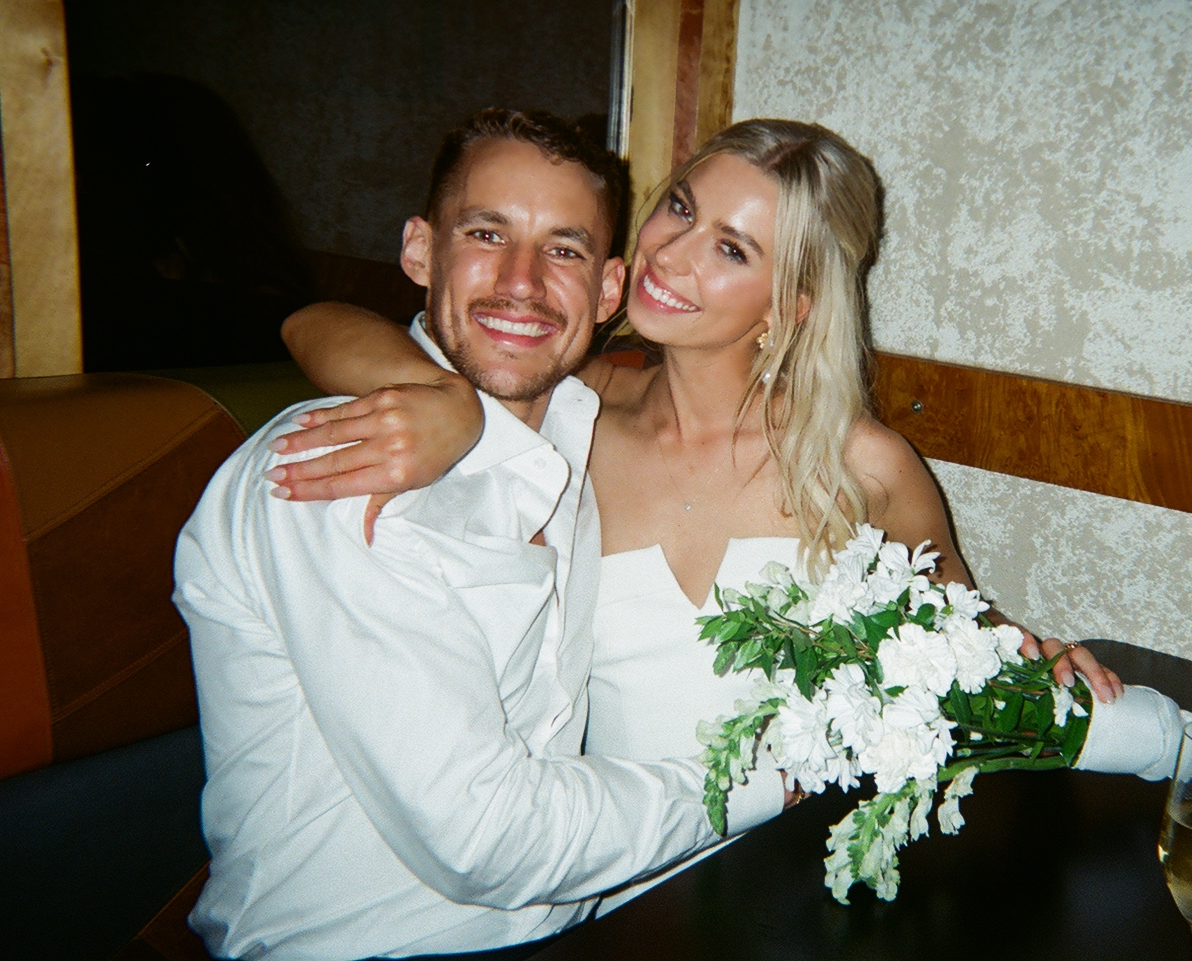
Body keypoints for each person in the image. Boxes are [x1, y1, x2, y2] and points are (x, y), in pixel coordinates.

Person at [275, 119, 1133, 905]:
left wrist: (1035, 655)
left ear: (792, 303)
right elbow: (311, 320)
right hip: (595, 879)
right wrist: (440, 397)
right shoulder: (568, 414)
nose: (671, 255)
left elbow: (960, 640)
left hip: (803, 881)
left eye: (729, 248)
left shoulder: (858, 466)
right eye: (678, 209)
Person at [173, 109, 788, 961]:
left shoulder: (580, 432)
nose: (523, 282)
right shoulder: (337, 474)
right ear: (421, 251)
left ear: (609, 291)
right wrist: (772, 782)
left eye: (564, 249)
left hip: (570, 925)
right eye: (487, 233)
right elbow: (485, 842)